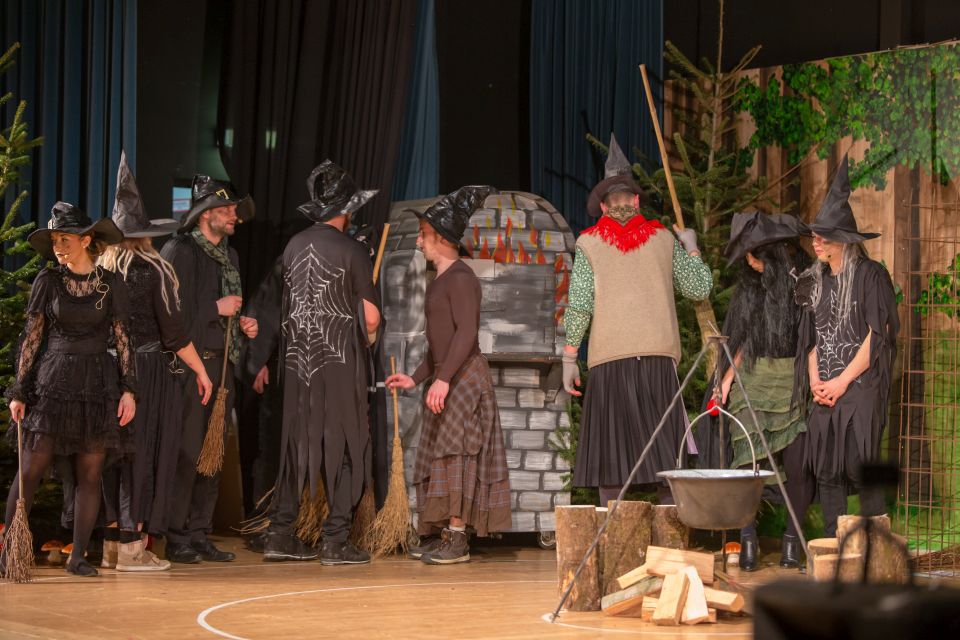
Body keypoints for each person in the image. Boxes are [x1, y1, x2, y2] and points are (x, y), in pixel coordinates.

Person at [562, 134, 713, 506]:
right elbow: (699, 287)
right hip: (655, 363)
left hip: (613, 363)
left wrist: (569, 357)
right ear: (635, 200)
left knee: (614, 467)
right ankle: (667, 537)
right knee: (665, 466)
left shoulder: (589, 243)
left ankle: (617, 536)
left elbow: (579, 305)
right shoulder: (663, 238)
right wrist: (692, 247)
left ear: (604, 205)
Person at [3, 202, 134, 577]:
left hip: (97, 385)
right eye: (55, 241)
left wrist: (129, 390)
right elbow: (32, 338)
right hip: (53, 383)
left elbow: (123, 339)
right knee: (30, 469)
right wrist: (19, 390)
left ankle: (77, 556)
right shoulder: (48, 282)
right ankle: (9, 550)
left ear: (86, 240)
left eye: (65, 239)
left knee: (90, 475)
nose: (58, 247)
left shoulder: (111, 283)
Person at [97, 154, 214, 571]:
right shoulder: (153, 270)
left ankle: (112, 546)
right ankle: (133, 548)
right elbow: (175, 335)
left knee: (111, 458)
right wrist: (201, 370)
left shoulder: (99, 273)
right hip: (146, 374)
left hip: (106, 373)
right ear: (145, 235)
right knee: (142, 456)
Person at [261, 160, 381, 565]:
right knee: (345, 446)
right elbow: (370, 318)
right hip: (340, 366)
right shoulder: (353, 250)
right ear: (347, 209)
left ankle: (280, 534)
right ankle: (335, 540)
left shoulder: (293, 246)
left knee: (296, 445)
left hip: (298, 364)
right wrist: (370, 340)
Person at [386, 185, 512, 565]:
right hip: (448, 375)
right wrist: (416, 378)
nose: (419, 242)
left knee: (458, 454)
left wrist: (443, 380)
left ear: (441, 238)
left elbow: (466, 332)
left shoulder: (460, 278)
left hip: (465, 378)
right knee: (438, 455)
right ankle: (443, 532)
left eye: (424, 235)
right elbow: (438, 343)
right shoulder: (439, 280)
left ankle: (458, 539)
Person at [696, 211, 814, 571]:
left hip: (791, 380)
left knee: (798, 462)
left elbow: (811, 340)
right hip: (752, 378)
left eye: (754, 254)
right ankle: (747, 540)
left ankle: (792, 541)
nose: (749, 261)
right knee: (746, 461)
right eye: (746, 254)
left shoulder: (802, 281)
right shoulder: (750, 285)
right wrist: (726, 380)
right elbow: (741, 338)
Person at [793, 155, 899, 537]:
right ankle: (832, 549)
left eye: (823, 236)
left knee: (858, 465)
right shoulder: (814, 281)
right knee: (827, 472)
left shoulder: (871, 276)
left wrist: (841, 382)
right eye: (814, 235)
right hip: (826, 390)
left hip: (859, 388)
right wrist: (816, 382)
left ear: (841, 240)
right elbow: (810, 339)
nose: (815, 241)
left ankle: (875, 548)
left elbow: (877, 337)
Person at [159, 175, 257, 564]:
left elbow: (225, 311)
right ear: (205, 214)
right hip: (189, 367)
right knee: (187, 452)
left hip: (222, 366)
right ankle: (176, 533)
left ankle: (200, 532)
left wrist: (242, 323)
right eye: (227, 209)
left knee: (212, 452)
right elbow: (168, 314)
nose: (235, 215)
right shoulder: (180, 251)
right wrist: (215, 309)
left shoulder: (230, 257)